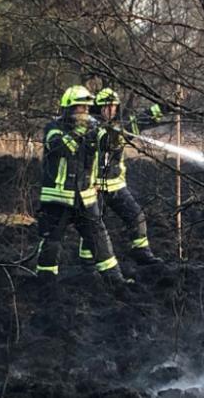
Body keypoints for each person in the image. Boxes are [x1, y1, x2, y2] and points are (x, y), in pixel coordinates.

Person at [35, 85, 128, 288]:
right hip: (58, 198)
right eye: (80, 108)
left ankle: (117, 282)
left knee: (100, 241)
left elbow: (110, 146)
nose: (84, 112)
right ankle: (45, 284)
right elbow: (64, 148)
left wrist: (112, 134)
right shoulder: (53, 128)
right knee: (51, 243)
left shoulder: (93, 130)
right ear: (68, 109)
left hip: (85, 198)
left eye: (87, 108)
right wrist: (82, 130)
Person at [78, 88, 164, 265]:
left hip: (116, 185)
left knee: (135, 215)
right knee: (93, 226)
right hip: (95, 188)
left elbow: (143, 119)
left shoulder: (120, 127)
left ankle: (141, 253)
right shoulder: (89, 128)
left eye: (114, 107)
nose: (111, 111)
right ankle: (87, 262)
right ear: (98, 108)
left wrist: (164, 107)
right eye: (106, 107)